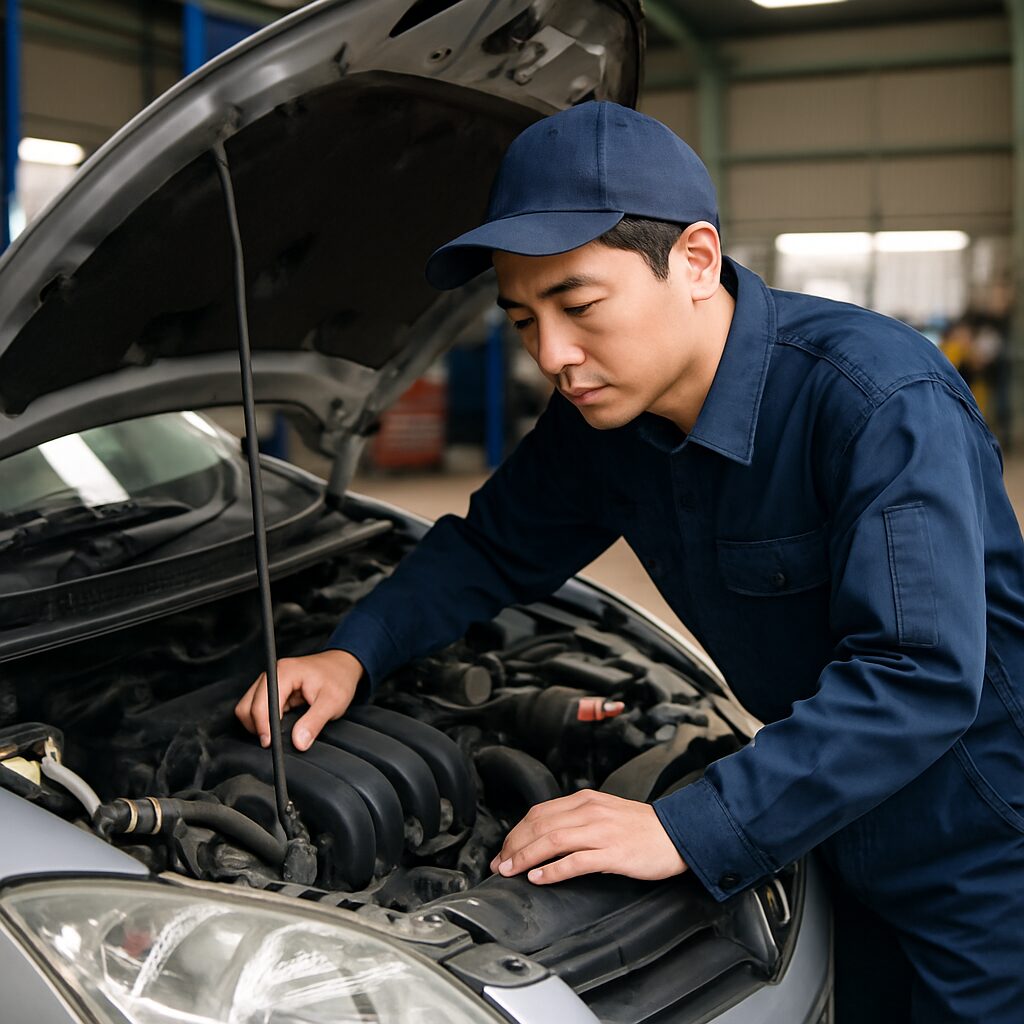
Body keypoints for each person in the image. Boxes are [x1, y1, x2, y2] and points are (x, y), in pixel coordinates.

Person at [236, 102, 1024, 1022]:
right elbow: (492, 548)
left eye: (578, 306)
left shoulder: (876, 400)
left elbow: (921, 672)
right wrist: (354, 651)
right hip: (829, 807)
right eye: (524, 319)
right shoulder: (603, 421)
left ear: (694, 260)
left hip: (982, 836)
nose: (554, 357)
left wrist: (680, 827)